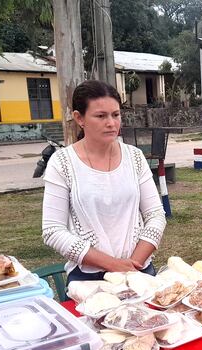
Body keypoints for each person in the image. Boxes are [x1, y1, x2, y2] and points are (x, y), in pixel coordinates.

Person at [42, 80, 167, 283]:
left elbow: (155, 215)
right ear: (79, 118)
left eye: (116, 115)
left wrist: (132, 265)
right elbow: (53, 231)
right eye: (101, 116)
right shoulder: (63, 162)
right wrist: (112, 265)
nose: (111, 123)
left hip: (139, 271)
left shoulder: (134, 157)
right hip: (88, 278)